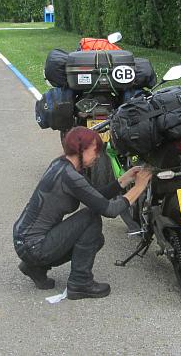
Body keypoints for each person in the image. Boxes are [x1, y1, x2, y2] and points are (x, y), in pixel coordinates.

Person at [13, 126, 152, 300]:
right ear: (82, 149)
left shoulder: (61, 165)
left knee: (95, 239)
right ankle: (80, 283)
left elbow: (95, 197)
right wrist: (139, 187)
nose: (98, 156)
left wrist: (124, 180)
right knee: (90, 218)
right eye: (96, 151)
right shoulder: (71, 176)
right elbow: (109, 210)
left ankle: (35, 267)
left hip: (25, 240)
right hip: (34, 246)